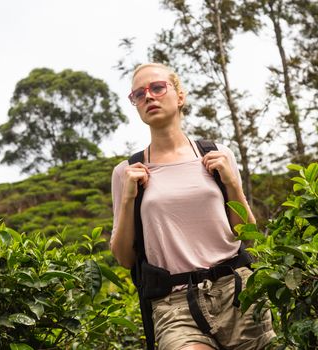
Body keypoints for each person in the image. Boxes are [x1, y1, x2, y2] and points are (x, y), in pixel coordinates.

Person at [110, 62, 275, 350]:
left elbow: (247, 235)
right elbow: (124, 258)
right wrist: (127, 199)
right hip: (174, 305)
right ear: (135, 105)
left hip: (237, 291)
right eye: (138, 94)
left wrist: (233, 185)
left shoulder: (217, 154)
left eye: (157, 87)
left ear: (180, 96)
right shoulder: (126, 171)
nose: (148, 96)